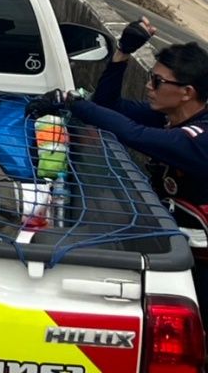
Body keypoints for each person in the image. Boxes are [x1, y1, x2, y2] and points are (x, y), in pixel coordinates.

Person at [31, 19, 208, 304]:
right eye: (150, 77)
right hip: (172, 239)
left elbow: (131, 133)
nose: (149, 87)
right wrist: (122, 54)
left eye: (158, 82)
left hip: (199, 261)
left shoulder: (200, 139)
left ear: (187, 92)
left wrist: (71, 101)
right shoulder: (169, 116)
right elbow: (107, 105)